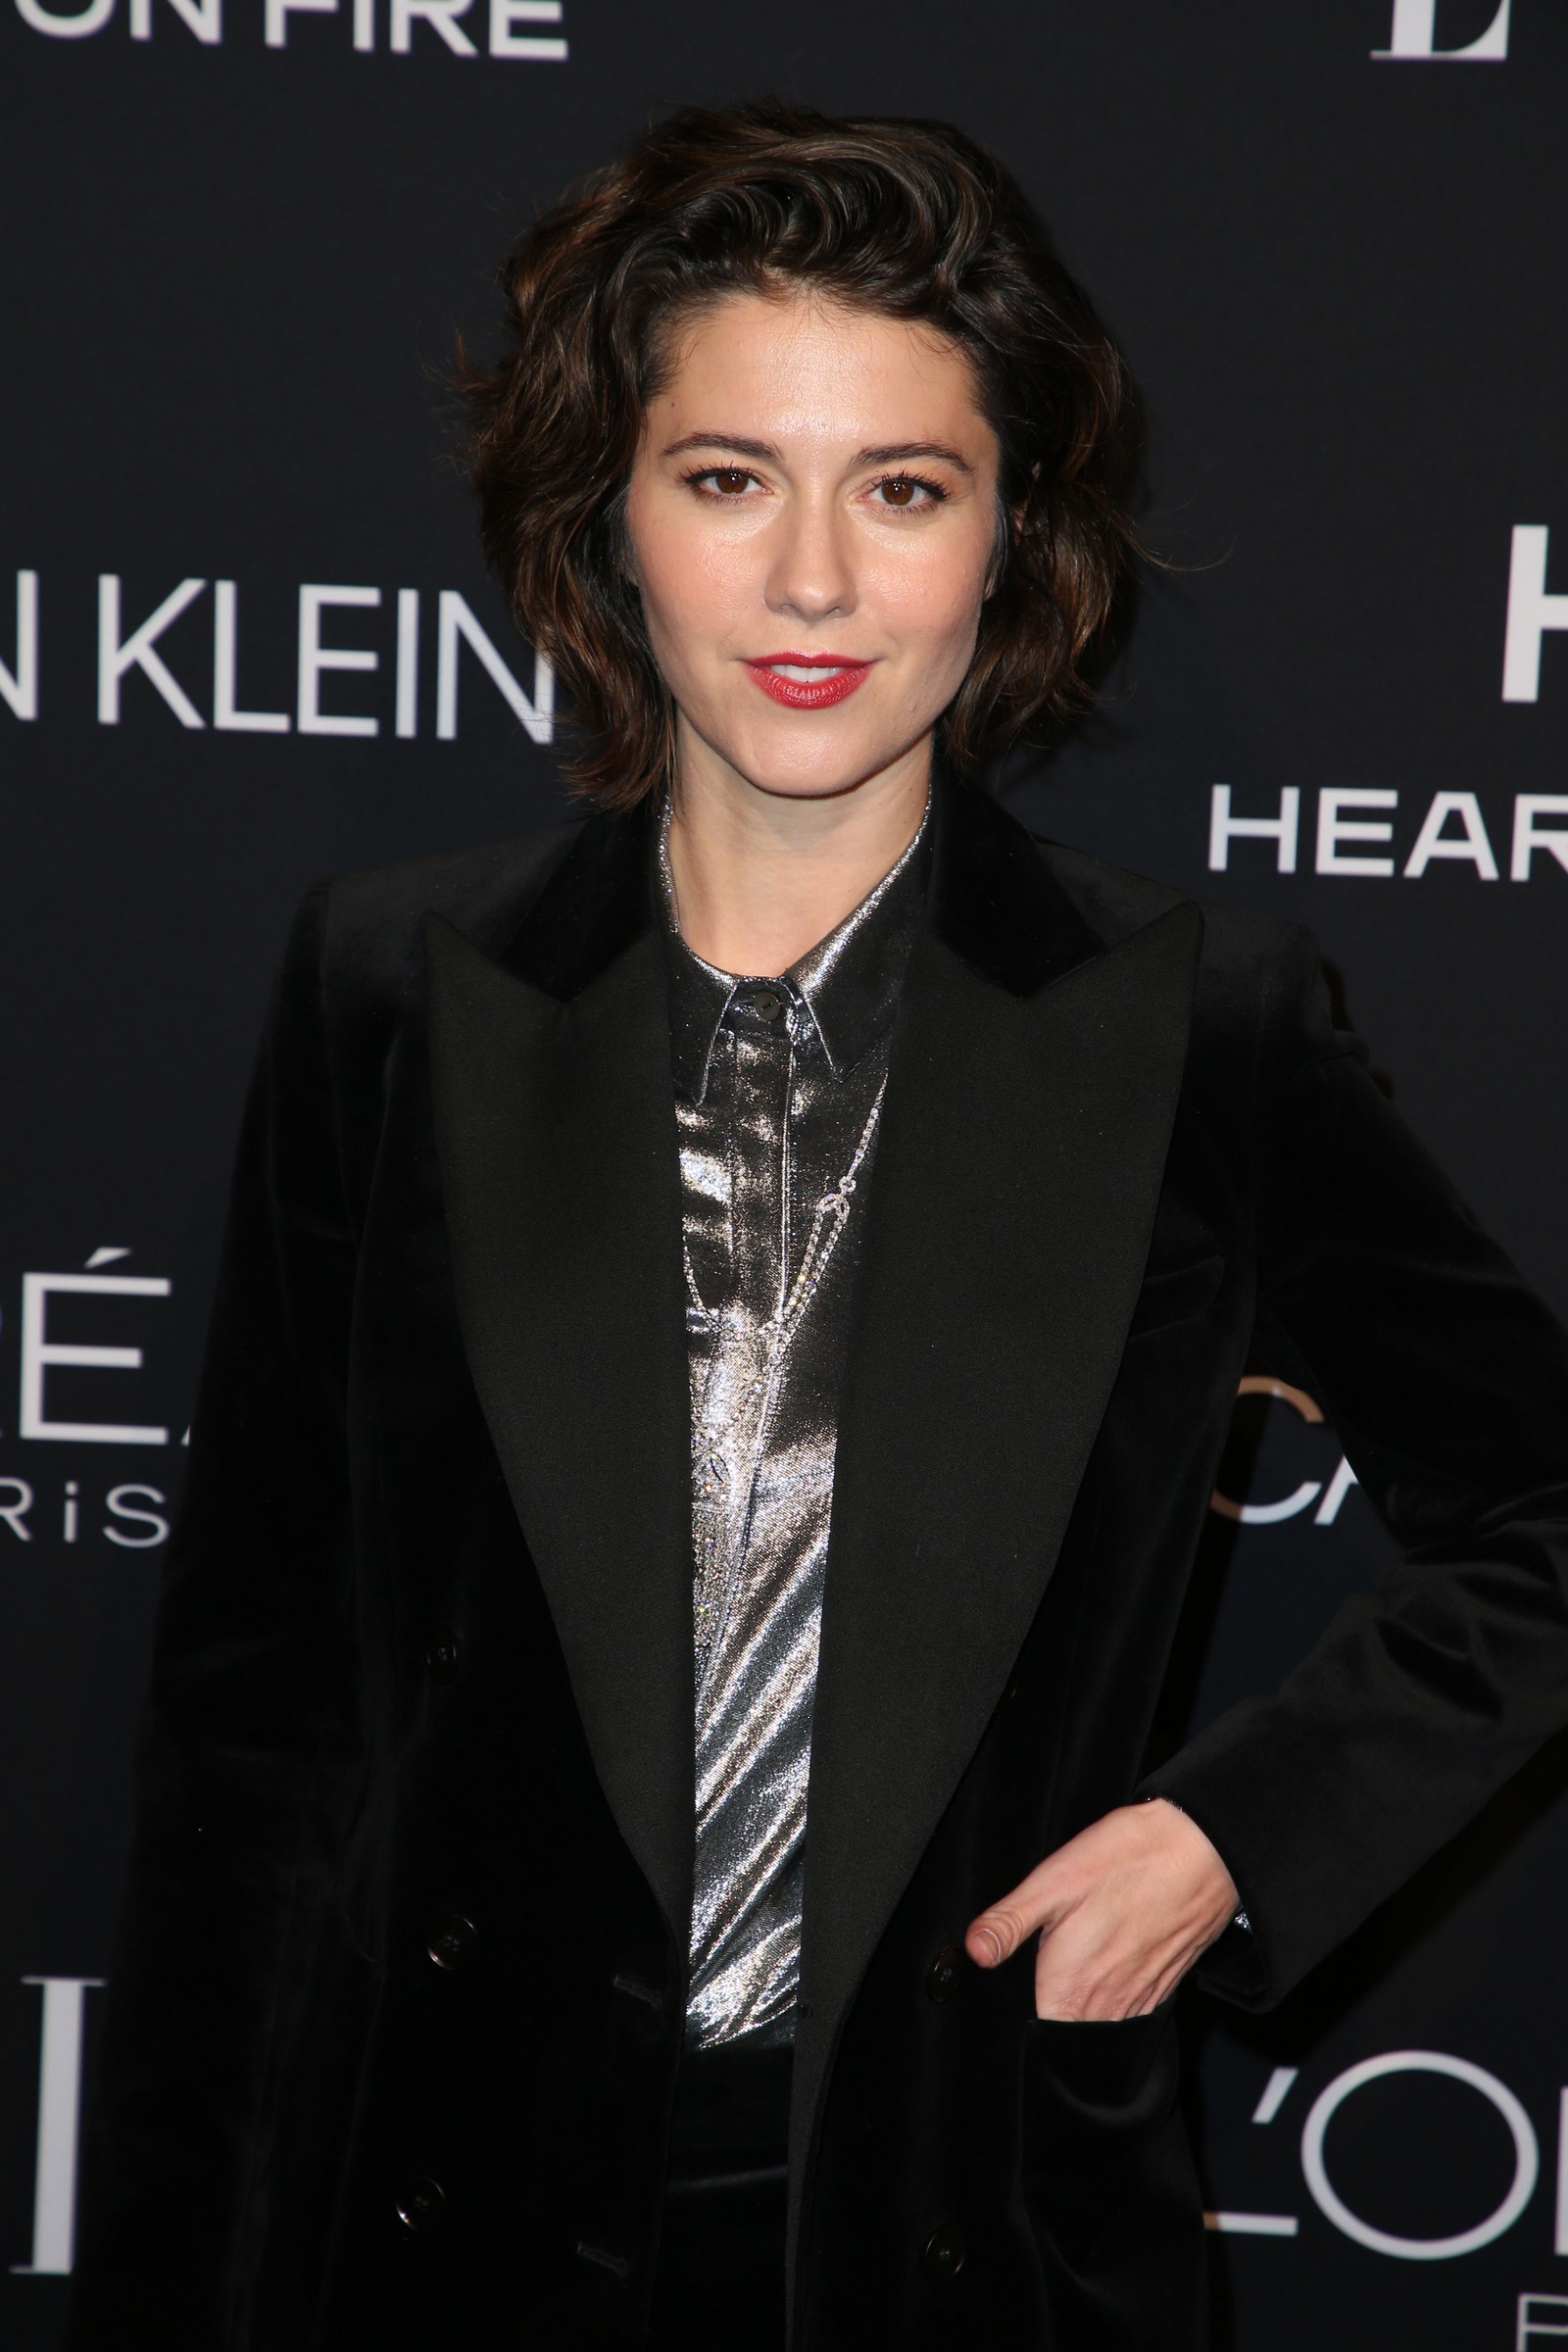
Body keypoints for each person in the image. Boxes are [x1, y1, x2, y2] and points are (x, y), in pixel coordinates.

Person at [65, 100, 1568, 2352]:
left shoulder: (1192, 1029)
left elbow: (1538, 1510)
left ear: (1008, 534)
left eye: (901, 489)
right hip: (444, 2210)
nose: (807, 584)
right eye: (724, 478)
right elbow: (257, 1728)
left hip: (957, 2212)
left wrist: (1227, 1839)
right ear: (609, 517)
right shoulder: (396, 990)